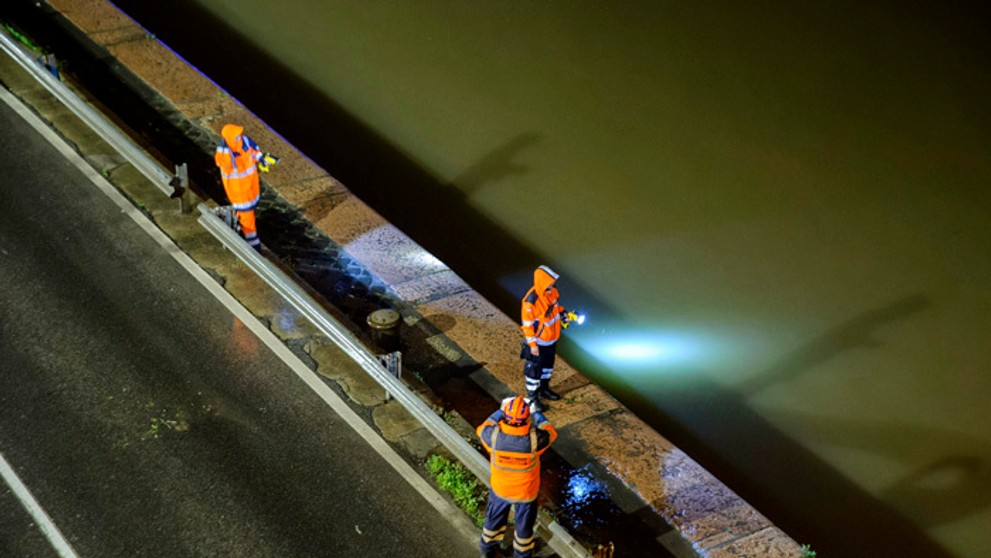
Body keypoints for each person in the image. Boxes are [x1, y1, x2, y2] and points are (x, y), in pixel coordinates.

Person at [477, 395, 558, 558]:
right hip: (525, 493)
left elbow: (483, 427)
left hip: (500, 489)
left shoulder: (492, 436)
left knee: (493, 521)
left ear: (506, 418)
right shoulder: (535, 440)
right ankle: (521, 554)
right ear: (526, 418)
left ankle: (488, 549)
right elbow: (551, 431)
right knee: (524, 528)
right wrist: (536, 413)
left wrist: (501, 410)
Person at [214, 124, 277, 251]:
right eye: (236, 137)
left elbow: (252, 153)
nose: (240, 138)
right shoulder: (226, 156)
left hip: (249, 188)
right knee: (248, 220)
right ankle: (253, 247)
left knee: (246, 217)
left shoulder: (244, 142)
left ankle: (241, 231)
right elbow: (229, 162)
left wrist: (262, 159)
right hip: (240, 194)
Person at [520, 265, 569, 412]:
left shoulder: (552, 292)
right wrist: (533, 344)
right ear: (542, 282)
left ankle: (544, 389)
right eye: (550, 282)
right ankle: (533, 398)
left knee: (548, 367)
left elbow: (555, 309)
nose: (552, 285)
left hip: (551, 339)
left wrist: (563, 313)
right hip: (539, 343)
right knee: (534, 371)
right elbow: (527, 325)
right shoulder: (530, 301)